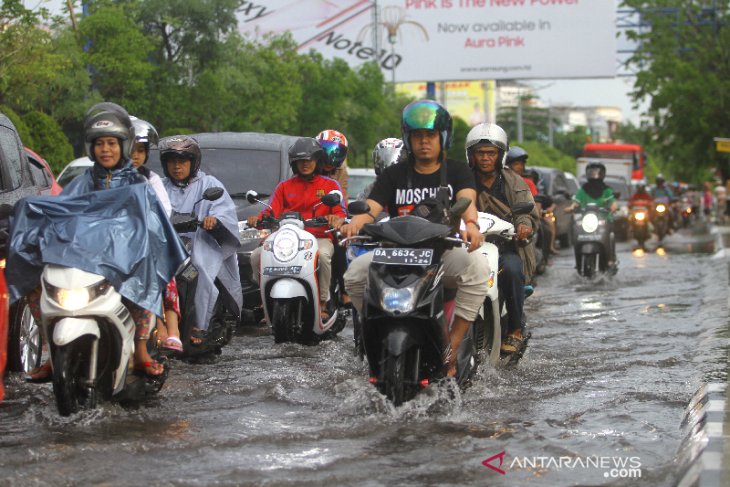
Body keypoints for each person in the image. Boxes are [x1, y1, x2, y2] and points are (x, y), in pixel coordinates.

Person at [339, 99, 488, 378]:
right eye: (417, 136)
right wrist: (357, 221)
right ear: (408, 139)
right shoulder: (394, 174)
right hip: (395, 253)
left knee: (479, 268)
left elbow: (467, 199)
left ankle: (452, 348)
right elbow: (372, 207)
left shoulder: (457, 171)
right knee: (355, 274)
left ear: (442, 137)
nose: (423, 142)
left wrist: (471, 224)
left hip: (441, 252)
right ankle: (374, 334)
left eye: (430, 136)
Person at [27, 103, 171, 381]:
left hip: (123, 257)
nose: (105, 149)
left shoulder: (138, 183)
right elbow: (61, 211)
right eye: (100, 144)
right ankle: (51, 353)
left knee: (144, 280)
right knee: (35, 285)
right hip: (83, 258)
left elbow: (156, 220)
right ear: (91, 148)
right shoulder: (81, 182)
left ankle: (140, 349)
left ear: (123, 146)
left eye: (111, 143)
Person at [248, 137, 346, 320]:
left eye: (309, 160)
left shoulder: (330, 185)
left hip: (318, 236)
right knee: (256, 256)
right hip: (286, 238)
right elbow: (270, 210)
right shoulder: (284, 187)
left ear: (317, 160)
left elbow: (340, 210)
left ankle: (323, 301)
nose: (305, 164)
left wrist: (336, 218)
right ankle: (265, 300)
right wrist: (257, 219)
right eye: (300, 161)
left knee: (324, 257)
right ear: (294, 163)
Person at [160, 135, 242, 341]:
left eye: (182, 161)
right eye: (172, 161)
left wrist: (213, 220)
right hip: (166, 245)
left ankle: (200, 325)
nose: (177, 167)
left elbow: (225, 212)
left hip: (200, 241)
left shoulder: (208, 184)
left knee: (199, 269)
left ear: (193, 163)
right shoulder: (160, 186)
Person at [467, 123, 539, 355]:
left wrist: (524, 226)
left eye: (491, 153)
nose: (486, 158)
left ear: (500, 155)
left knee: (513, 269)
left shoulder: (514, 182)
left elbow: (527, 214)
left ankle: (515, 329)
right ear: (471, 155)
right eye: (480, 153)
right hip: (467, 247)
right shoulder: (461, 180)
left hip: (504, 247)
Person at [130, 117, 182, 354]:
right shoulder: (97, 179)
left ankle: (170, 329)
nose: (136, 156)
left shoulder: (149, 179)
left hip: (147, 241)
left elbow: (164, 209)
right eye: (131, 150)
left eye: (141, 150)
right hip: (111, 246)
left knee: (164, 275)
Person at [316, 129, 351, 309]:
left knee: (340, 243)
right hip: (308, 221)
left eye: (336, 153)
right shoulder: (307, 166)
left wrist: (338, 217)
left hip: (331, 220)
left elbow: (342, 197)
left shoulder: (341, 172)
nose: (331, 158)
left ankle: (344, 289)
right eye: (327, 151)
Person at [567, 162, 618, 267]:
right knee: (575, 228)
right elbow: (576, 202)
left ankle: (610, 258)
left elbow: (613, 203)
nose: (594, 174)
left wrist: (613, 207)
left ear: (602, 174)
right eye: (591, 172)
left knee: (611, 235)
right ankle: (578, 261)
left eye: (597, 172)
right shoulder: (583, 190)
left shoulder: (606, 190)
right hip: (587, 221)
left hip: (603, 220)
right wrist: (572, 207)